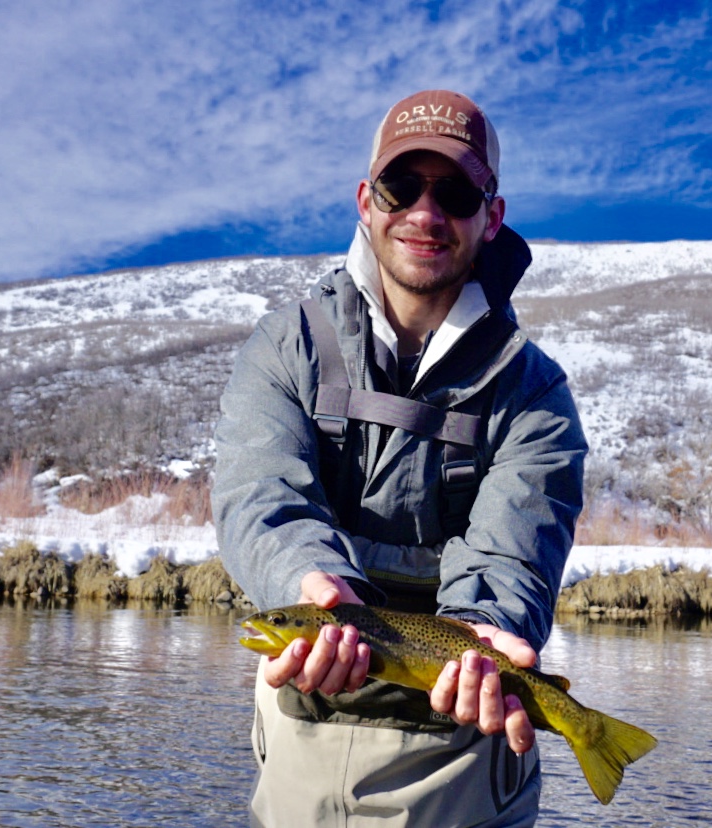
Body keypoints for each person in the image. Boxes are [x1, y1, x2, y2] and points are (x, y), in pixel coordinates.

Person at [212, 89, 588, 827]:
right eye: (400, 186)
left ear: (492, 216)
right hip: (301, 753)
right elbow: (260, 496)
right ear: (365, 200)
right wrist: (308, 584)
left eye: (453, 192)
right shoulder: (284, 347)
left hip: (466, 764)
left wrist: (488, 626)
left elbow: (515, 555)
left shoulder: (536, 393)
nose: (424, 212)